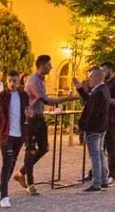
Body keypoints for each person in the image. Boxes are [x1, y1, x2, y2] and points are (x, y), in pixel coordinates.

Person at [13, 55, 78, 196]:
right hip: (30, 120)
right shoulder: (33, 81)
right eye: (49, 65)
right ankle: (30, 184)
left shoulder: (41, 81)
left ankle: (21, 172)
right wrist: (66, 98)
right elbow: (46, 100)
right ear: (42, 65)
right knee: (30, 151)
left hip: (40, 118)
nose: (51, 67)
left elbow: (43, 101)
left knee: (44, 148)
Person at [0, 70, 29, 207]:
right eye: (10, 81)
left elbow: (27, 113)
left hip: (19, 135)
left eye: (15, 81)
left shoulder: (24, 96)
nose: (12, 83)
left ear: (19, 81)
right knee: (7, 162)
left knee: (12, 162)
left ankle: (1, 188)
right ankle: (4, 196)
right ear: (6, 81)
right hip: (5, 135)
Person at [73, 67, 110, 193]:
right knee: (99, 153)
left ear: (97, 78)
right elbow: (89, 101)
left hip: (94, 128)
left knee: (95, 155)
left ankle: (97, 183)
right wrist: (79, 88)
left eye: (91, 77)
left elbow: (92, 112)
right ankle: (103, 180)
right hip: (101, 127)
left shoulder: (99, 91)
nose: (89, 80)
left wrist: (84, 128)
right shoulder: (103, 89)